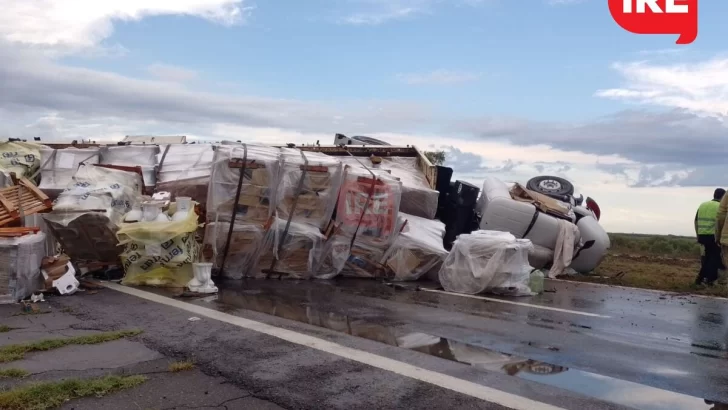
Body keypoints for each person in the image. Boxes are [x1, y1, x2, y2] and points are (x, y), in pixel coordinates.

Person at [696, 188, 725, 286]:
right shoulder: (720, 206)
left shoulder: (703, 205)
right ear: (723, 197)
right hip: (713, 236)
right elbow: (721, 222)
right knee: (715, 259)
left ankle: (701, 280)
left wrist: (698, 236)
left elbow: (696, 221)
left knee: (708, 258)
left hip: (702, 235)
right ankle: (708, 280)